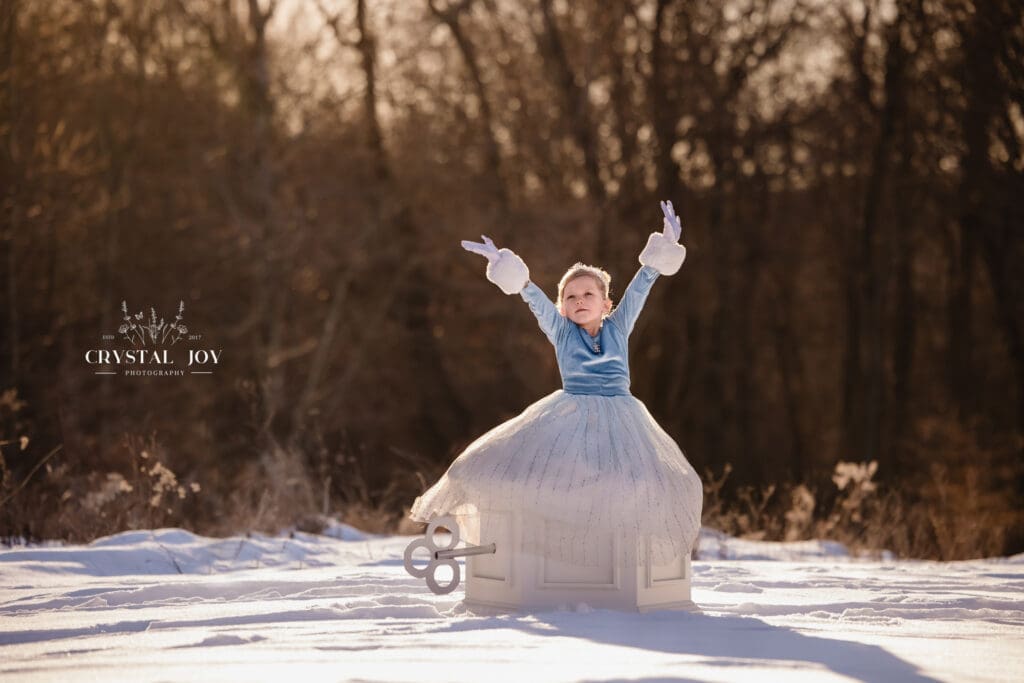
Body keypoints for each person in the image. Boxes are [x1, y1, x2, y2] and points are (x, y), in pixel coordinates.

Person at [408, 202, 703, 568]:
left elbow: (642, 285)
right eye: (570, 297)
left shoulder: (618, 325)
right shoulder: (562, 331)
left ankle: (624, 561)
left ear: (606, 303)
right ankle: (548, 557)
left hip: (622, 416)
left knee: (635, 483)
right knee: (547, 480)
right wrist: (513, 272)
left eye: (588, 295)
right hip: (571, 413)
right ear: (562, 308)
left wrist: (660, 254)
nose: (579, 301)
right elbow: (533, 299)